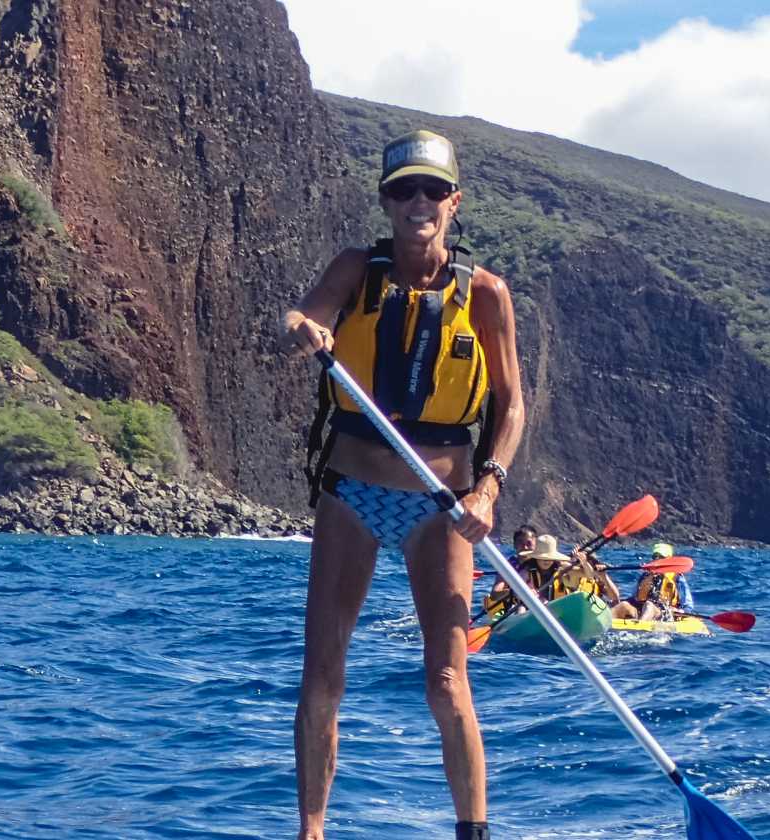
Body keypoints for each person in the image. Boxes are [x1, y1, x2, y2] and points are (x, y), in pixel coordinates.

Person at [283, 129, 526, 840]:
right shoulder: (356, 268)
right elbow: (306, 310)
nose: (417, 203)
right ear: (386, 201)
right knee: (323, 673)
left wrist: (489, 488)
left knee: (448, 683)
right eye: (401, 190)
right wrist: (303, 327)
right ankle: (312, 831)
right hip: (352, 494)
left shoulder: (485, 294)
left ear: (455, 201)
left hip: (441, 506)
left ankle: (472, 832)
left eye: (431, 190)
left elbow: (511, 405)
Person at [614, 542, 684, 621]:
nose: (657, 559)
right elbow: (637, 598)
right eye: (655, 557)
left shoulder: (678, 578)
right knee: (623, 605)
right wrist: (650, 577)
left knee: (649, 605)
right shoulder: (646, 575)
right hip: (641, 610)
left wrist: (678, 610)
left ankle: (640, 627)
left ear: (668, 559)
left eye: (661, 557)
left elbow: (687, 605)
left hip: (663, 613)